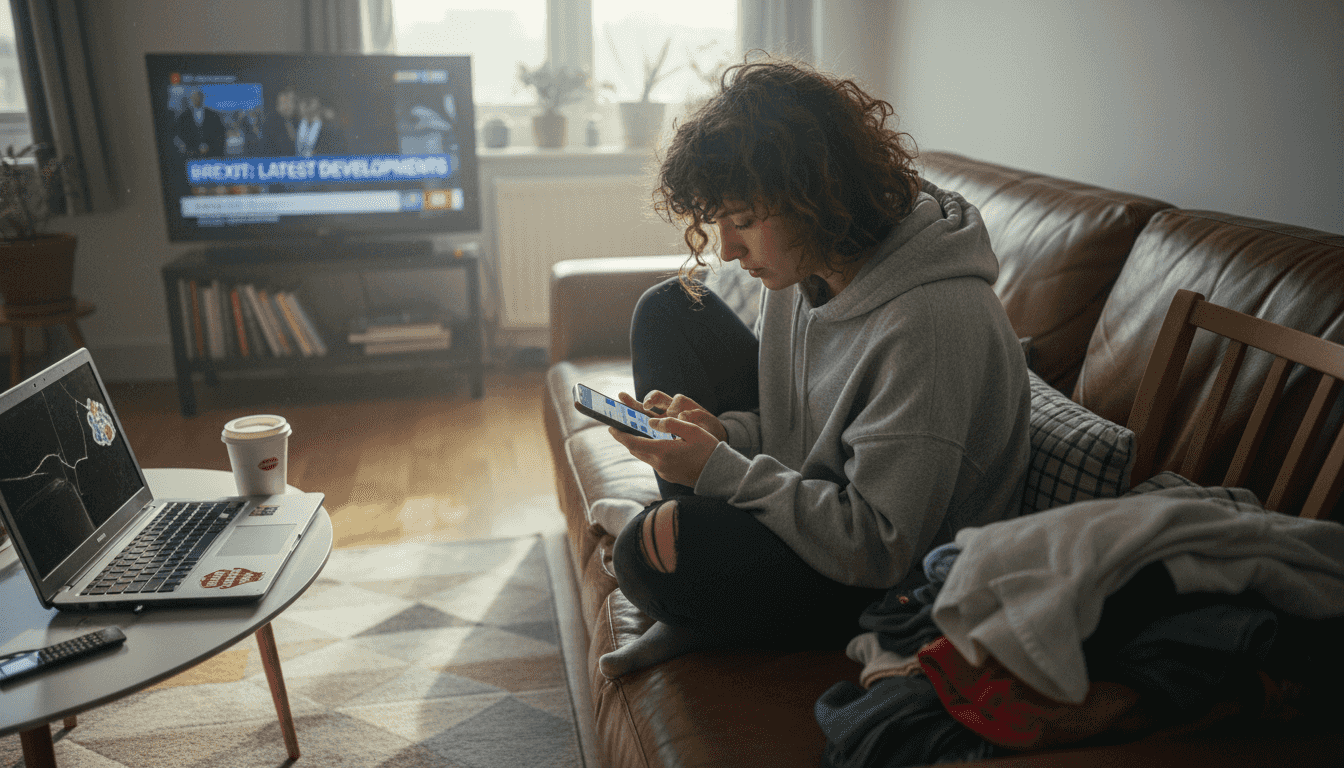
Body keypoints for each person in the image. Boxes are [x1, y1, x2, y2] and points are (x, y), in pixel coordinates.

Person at [591, 58, 1032, 678]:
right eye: (719, 223)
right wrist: (724, 437)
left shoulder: (930, 324)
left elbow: (878, 548)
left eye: (743, 222)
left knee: (646, 552)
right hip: (813, 506)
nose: (727, 250)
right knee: (669, 309)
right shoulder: (808, 264)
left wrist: (718, 470)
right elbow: (799, 426)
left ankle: (683, 575)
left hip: (886, 582)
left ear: (817, 197)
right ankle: (690, 570)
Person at [173, 88, 226, 157]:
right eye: (193, 97)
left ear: (202, 98)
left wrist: (210, 146)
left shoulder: (213, 115)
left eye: (198, 97)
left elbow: (219, 133)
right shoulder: (184, 117)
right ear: (190, 99)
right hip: (190, 155)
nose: (196, 99)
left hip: (212, 154)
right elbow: (181, 134)